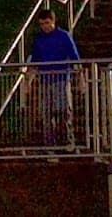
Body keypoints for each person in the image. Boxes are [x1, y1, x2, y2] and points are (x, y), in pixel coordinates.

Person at [26, 8, 80, 146]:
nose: (45, 27)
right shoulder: (40, 39)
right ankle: (50, 143)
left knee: (63, 110)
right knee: (47, 113)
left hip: (61, 79)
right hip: (45, 80)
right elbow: (35, 62)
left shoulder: (63, 36)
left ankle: (67, 140)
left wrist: (81, 79)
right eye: (42, 24)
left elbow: (75, 58)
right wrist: (28, 82)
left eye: (47, 23)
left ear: (53, 22)